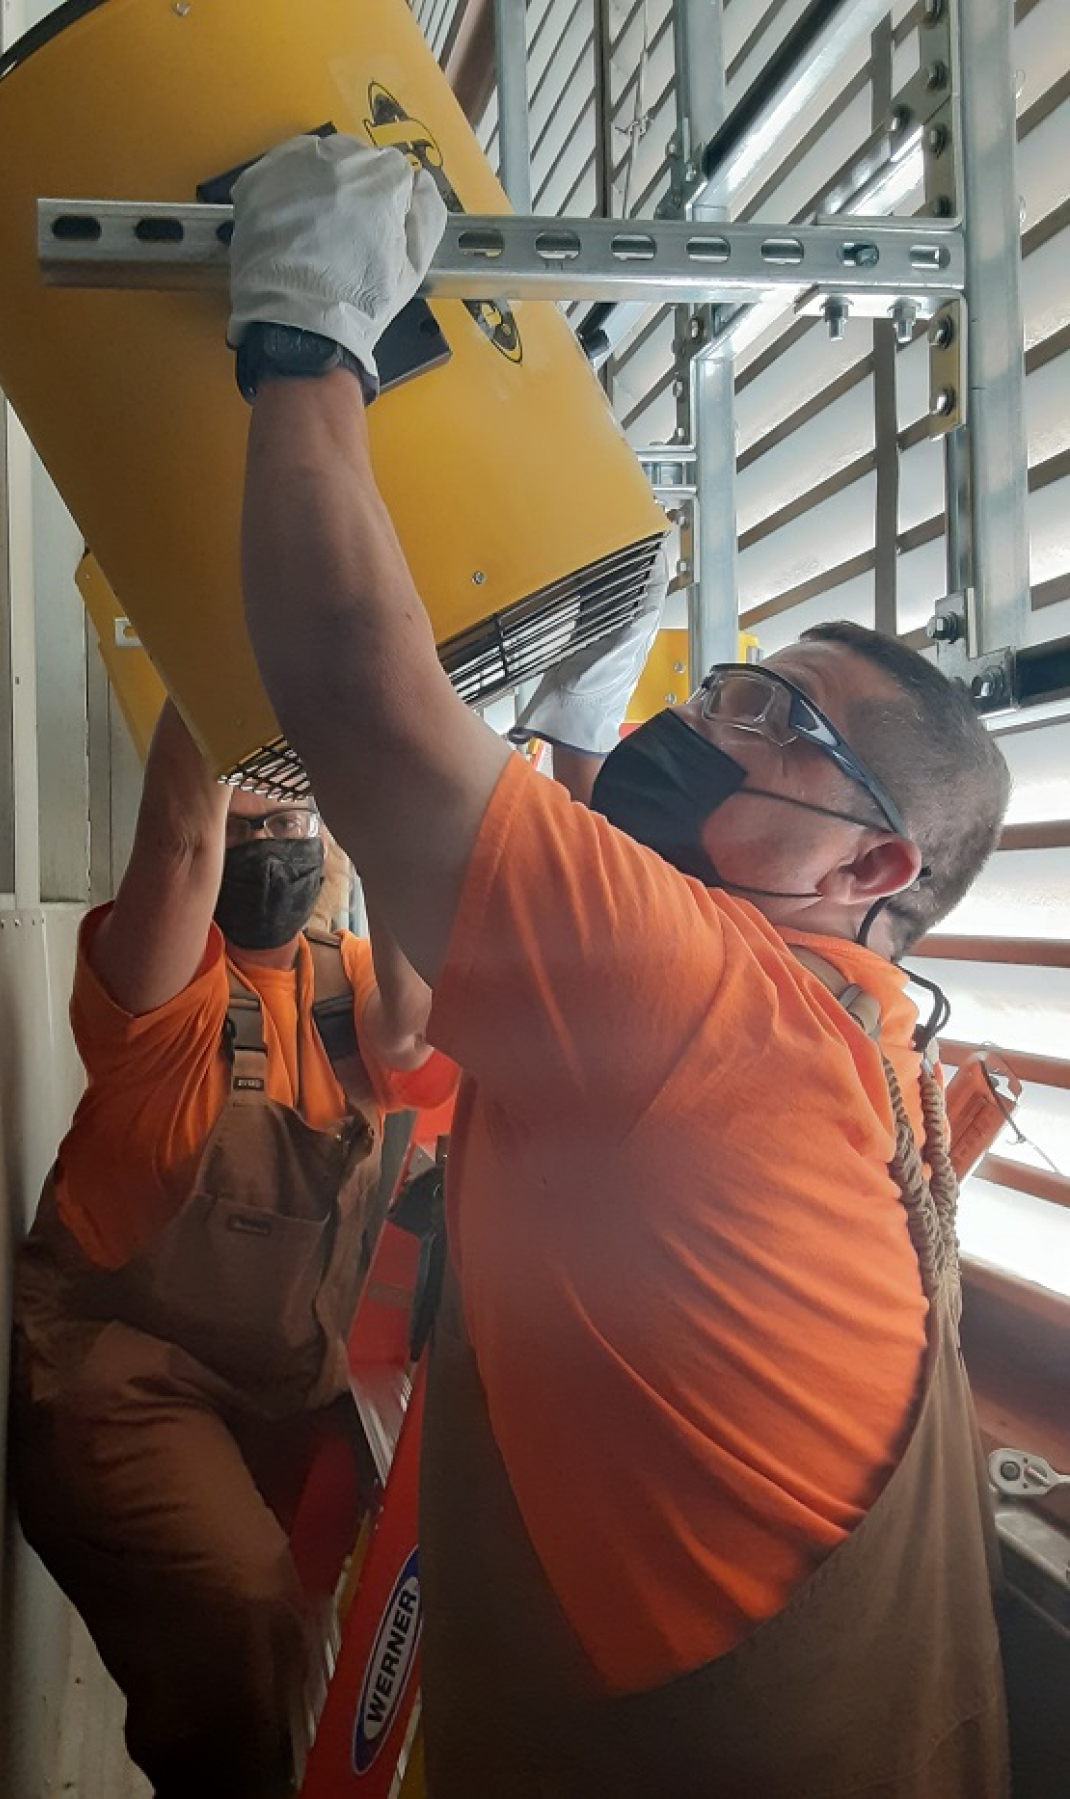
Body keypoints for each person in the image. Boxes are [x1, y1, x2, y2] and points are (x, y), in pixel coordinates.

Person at [223, 134, 1013, 1796]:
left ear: (876, 865)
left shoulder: (711, 1011)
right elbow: (439, 1021)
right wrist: (575, 753)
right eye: (727, 681)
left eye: (768, 720)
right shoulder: (850, 1045)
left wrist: (308, 339)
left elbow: (358, 697)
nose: (700, 721)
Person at [9, 694, 457, 1798]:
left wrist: (376, 771)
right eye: (248, 825)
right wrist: (210, 653)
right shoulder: (157, 991)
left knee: (337, 1619)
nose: (268, 847)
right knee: (240, 1602)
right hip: (124, 1377)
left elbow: (415, 1025)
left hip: (285, 1381)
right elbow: (181, 835)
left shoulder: (351, 989)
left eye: (290, 826)